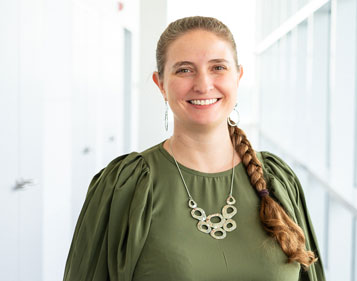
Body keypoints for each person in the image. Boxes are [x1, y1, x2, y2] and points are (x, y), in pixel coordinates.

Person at [63, 16, 325, 281]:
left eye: (218, 67)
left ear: (238, 77)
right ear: (161, 84)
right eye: (184, 70)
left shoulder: (277, 179)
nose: (203, 85)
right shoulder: (125, 186)